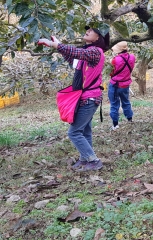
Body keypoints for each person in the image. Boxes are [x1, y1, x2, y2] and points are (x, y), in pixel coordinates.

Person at [38, 27, 108, 171]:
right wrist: (58, 45)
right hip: (86, 98)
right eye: (87, 29)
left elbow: (77, 52)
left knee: (74, 132)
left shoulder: (95, 52)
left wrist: (55, 45)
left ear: (98, 38)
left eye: (92, 30)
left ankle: (93, 160)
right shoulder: (87, 55)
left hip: (89, 98)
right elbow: (73, 58)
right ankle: (84, 159)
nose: (87, 31)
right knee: (84, 131)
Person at [108, 41, 135, 131]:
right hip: (125, 84)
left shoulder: (115, 60)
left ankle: (115, 124)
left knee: (114, 104)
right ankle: (130, 119)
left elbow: (111, 73)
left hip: (115, 84)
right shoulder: (132, 57)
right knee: (126, 101)